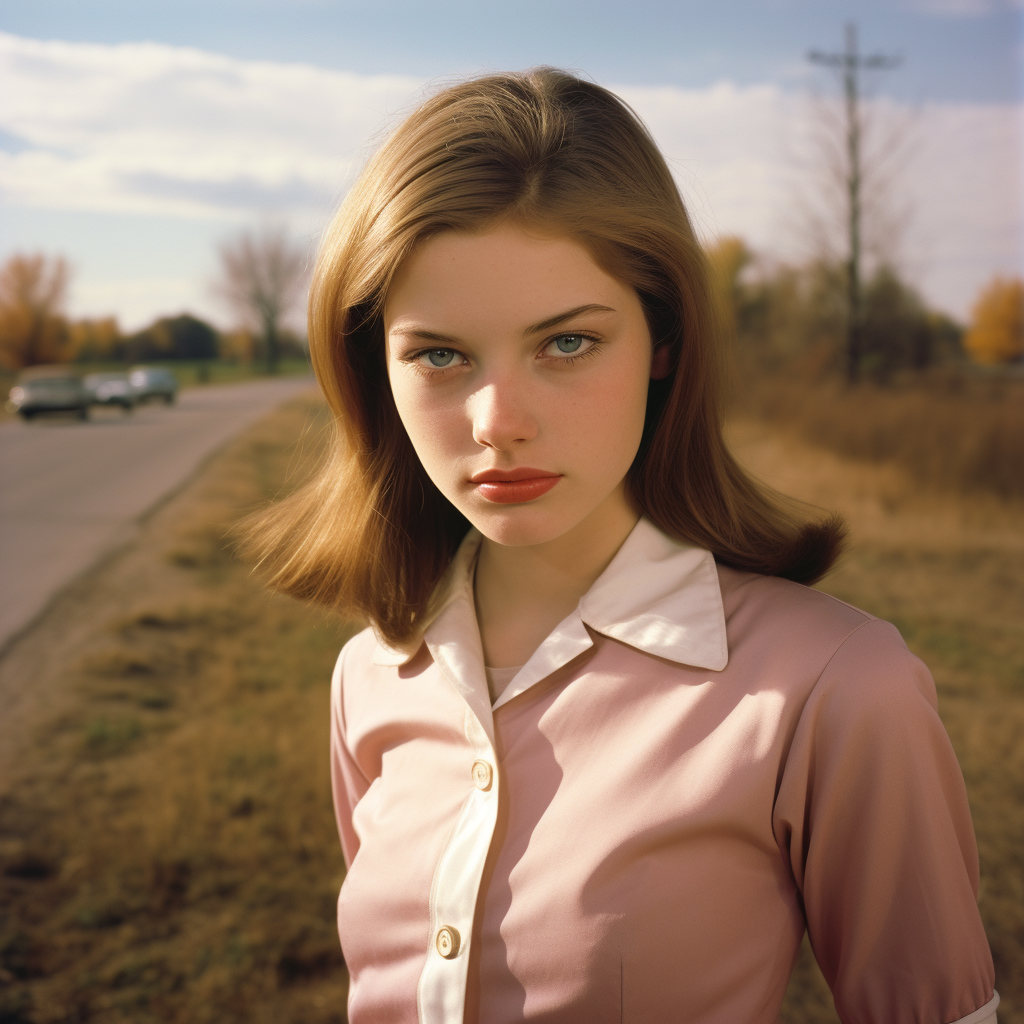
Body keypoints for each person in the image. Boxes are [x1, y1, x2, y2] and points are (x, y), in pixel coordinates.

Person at [247, 69, 998, 1023]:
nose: (498, 423)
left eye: (566, 344)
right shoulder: (371, 674)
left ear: (665, 341)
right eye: (440, 354)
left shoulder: (838, 686)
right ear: (373, 368)